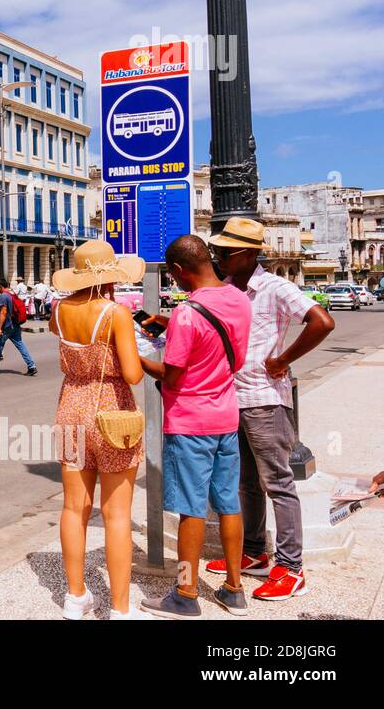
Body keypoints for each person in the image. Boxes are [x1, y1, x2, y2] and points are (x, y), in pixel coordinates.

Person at [208, 217, 335, 602]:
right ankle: (253, 551)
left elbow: (322, 321)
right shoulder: (227, 290)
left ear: (246, 254)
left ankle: (291, 568)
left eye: (225, 252)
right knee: (246, 483)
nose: (219, 258)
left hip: (265, 399)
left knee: (278, 483)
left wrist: (283, 359)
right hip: (235, 398)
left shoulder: (277, 288)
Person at [139, 234, 252, 619]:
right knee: (228, 503)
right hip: (225, 415)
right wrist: (170, 324)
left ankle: (186, 593)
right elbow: (220, 345)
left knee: (191, 510)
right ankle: (235, 589)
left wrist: (138, 359)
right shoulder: (239, 298)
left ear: (179, 270)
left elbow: (170, 375)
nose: (173, 281)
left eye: (173, 275)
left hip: (190, 422)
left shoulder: (189, 313)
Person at [49, 241, 148, 619]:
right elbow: (133, 375)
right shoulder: (116, 314)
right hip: (111, 411)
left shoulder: (58, 311)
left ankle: (75, 597)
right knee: (116, 513)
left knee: (74, 507)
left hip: (70, 407)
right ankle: (120, 610)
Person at [0, 278, 37, 376]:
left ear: (0, 287)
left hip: (7, 326)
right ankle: (31, 366)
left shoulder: (4, 296)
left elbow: (3, 312)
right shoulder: (12, 294)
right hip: (16, 324)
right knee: (20, 345)